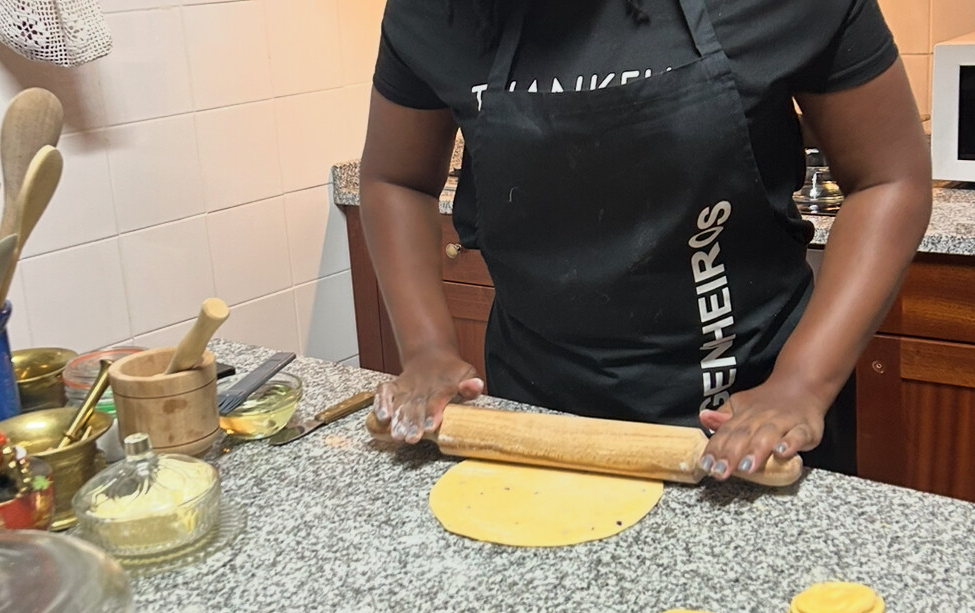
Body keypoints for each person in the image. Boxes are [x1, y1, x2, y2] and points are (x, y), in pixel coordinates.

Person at [361, 0, 932, 478]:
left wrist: (803, 380)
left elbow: (889, 178)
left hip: (747, 425)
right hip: (538, 427)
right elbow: (397, 180)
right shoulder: (436, 11)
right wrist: (426, 347)